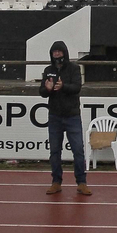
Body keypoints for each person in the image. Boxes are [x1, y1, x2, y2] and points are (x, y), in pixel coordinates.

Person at [38, 41, 89, 195]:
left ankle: (82, 182)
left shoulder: (74, 68)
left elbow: (77, 87)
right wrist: (47, 90)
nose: (57, 54)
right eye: (55, 52)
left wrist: (63, 87)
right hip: (55, 116)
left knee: (78, 150)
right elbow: (42, 91)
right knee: (55, 151)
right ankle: (56, 181)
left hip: (72, 116)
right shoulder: (48, 70)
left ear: (65, 53)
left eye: (60, 51)